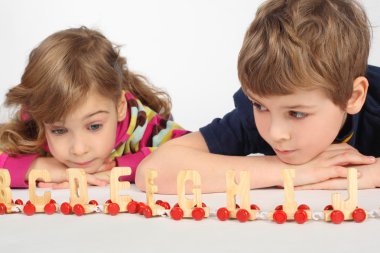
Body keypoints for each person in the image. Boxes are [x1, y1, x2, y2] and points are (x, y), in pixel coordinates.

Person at [136, 0, 380, 194]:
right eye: (259, 105)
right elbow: (153, 171)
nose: (275, 133)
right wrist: (285, 170)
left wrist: (372, 173)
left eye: (297, 113)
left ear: (353, 96)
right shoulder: (256, 115)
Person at [0, 27, 188, 188]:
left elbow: (193, 152)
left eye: (94, 126)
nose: (79, 149)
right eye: (58, 130)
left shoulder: (140, 122)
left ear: (120, 106)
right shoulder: (36, 120)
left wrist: (121, 168)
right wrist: (36, 167)